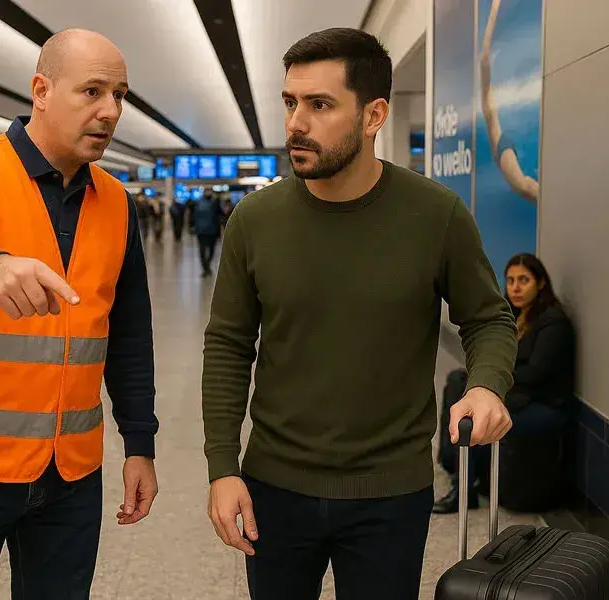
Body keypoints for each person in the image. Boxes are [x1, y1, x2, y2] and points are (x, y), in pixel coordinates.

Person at [201, 28, 517, 600]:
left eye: (320, 104)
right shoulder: (255, 220)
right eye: (290, 102)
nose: (296, 122)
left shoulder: (434, 215)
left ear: (374, 115)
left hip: (390, 493)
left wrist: (488, 385)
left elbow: (489, 318)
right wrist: (223, 467)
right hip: (275, 485)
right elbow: (227, 344)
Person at [0, 28, 159, 600]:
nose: (110, 111)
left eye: (120, 95)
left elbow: (129, 332)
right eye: (91, 91)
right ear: (41, 89)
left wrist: (140, 442)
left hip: (70, 474)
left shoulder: (115, 202)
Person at [433, 253, 574, 513]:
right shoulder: (512, 317)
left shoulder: (552, 322)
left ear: (540, 284)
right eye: (510, 281)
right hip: (519, 396)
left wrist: (497, 384)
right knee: (458, 382)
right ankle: (462, 476)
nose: (516, 288)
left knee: (482, 413)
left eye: (524, 280)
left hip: (544, 404)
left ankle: (463, 484)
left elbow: (536, 373)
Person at [480, 0, 538, 203]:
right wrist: (495, 11)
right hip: (504, 143)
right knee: (526, 186)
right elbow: (484, 59)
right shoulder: (493, 113)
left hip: (515, 142)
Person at [194, 191, 221, 276]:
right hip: (211, 231)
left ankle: (206, 267)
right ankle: (207, 266)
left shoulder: (198, 204)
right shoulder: (214, 204)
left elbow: (194, 217)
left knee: (202, 250)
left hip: (201, 231)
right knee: (211, 250)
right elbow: (218, 218)